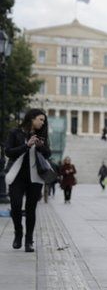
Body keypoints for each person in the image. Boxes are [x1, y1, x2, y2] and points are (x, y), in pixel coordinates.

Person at [5, 108, 51, 252]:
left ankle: (29, 240)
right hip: (17, 176)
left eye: (44, 121)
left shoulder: (41, 135)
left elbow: (48, 154)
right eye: (40, 119)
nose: (43, 123)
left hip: (35, 177)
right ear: (32, 118)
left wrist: (40, 146)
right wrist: (27, 145)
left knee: (31, 209)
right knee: (16, 206)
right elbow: (8, 152)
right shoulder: (15, 133)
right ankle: (18, 233)